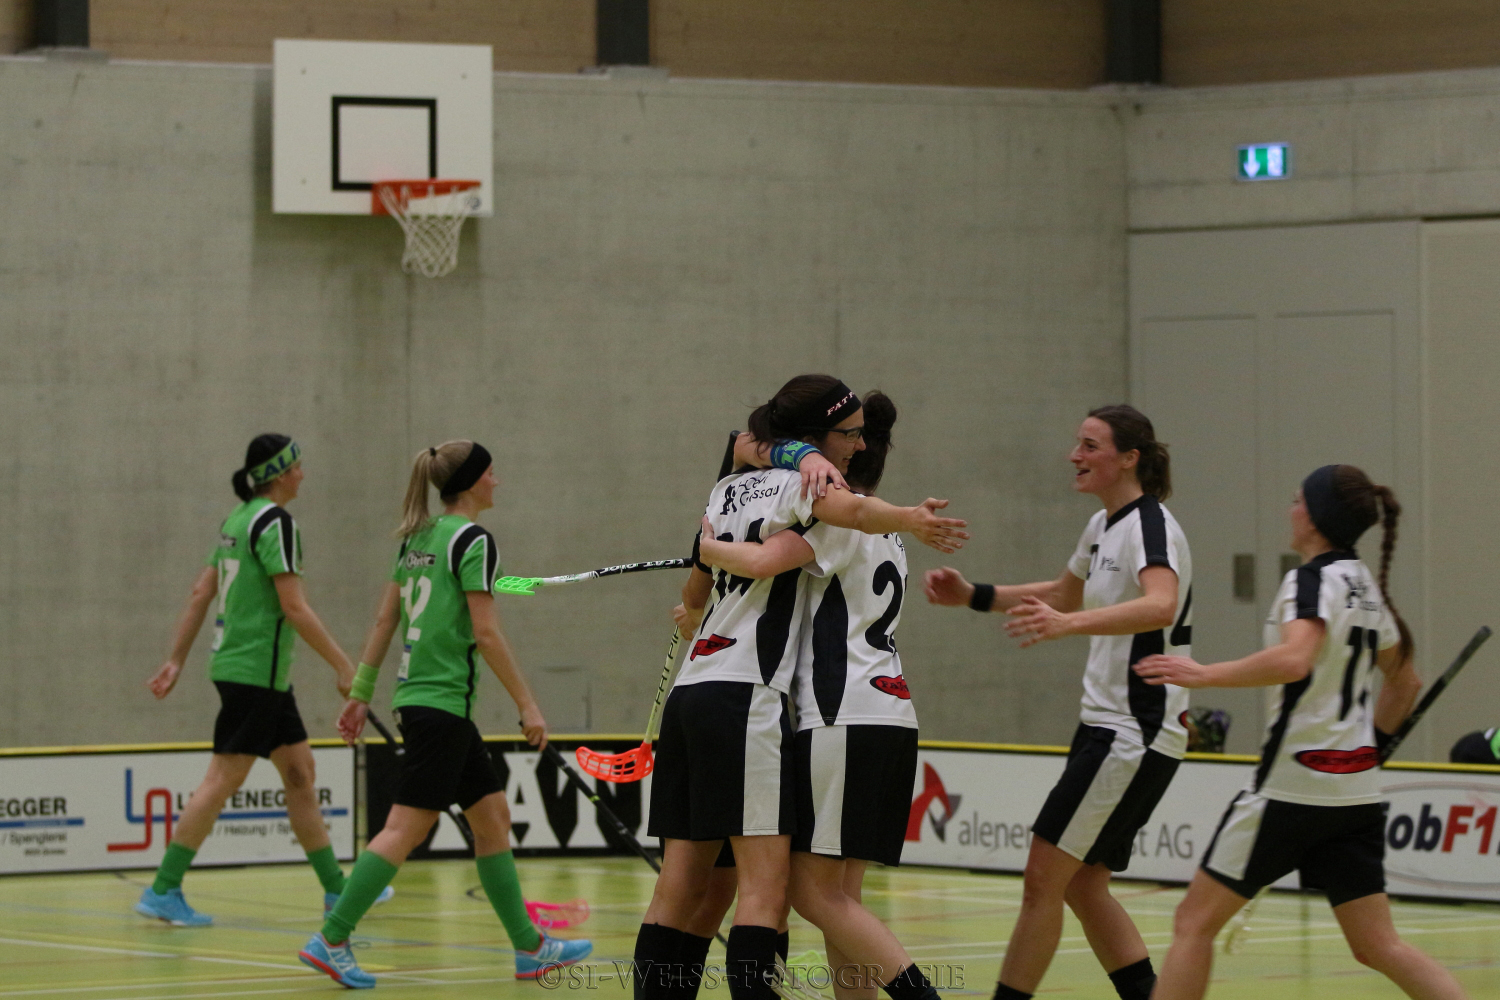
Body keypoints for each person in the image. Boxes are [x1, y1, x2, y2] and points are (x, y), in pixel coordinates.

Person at [635, 374, 967, 1000]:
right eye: (848, 435)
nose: (854, 446)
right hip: (786, 702)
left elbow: (714, 581)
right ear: (819, 441)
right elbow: (850, 512)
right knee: (788, 895)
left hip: (716, 691)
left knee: (705, 889)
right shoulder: (815, 495)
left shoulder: (726, 488)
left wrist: (706, 552)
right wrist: (904, 516)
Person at [1135, 465, 1467, 1000]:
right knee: (1378, 944)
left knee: (1193, 924)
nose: (1289, 510)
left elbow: (1295, 659)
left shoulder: (1308, 581)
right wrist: (1370, 750)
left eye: (1296, 500)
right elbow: (1405, 682)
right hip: (1354, 796)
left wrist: (1204, 674)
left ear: (1314, 516)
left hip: (1289, 791)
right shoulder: (1364, 586)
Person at [297, 440, 591, 989]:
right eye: (492, 473)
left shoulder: (419, 539)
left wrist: (361, 693)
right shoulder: (473, 540)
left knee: (492, 817)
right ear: (474, 481)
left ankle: (530, 948)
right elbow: (486, 631)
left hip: (423, 704)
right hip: (442, 707)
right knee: (404, 829)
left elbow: (387, 620)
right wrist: (527, 704)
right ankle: (332, 938)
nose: (498, 481)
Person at [923, 405, 1191, 1000]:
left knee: (1043, 877)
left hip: (1134, 730)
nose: (1075, 455)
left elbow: (1161, 604)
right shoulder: (1102, 526)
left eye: (1090, 445)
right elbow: (1063, 595)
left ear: (1129, 458)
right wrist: (974, 595)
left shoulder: (1150, 525)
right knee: (1083, 885)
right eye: (1077, 443)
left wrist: (1070, 626)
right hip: (1108, 728)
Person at [700, 390, 922, 1000]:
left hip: (839, 713)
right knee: (843, 902)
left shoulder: (833, 519)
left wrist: (707, 550)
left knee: (812, 895)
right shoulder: (882, 531)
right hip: (888, 713)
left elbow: (761, 561)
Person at [137, 435, 361, 926]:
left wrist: (176, 659)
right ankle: (163, 889)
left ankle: (337, 891)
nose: (303, 474)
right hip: (255, 671)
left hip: (257, 673)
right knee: (222, 780)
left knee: (299, 773)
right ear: (279, 474)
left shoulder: (236, 520)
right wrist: (345, 666)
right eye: (297, 466)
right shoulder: (275, 524)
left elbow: (201, 591)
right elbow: (294, 607)